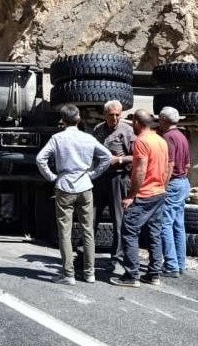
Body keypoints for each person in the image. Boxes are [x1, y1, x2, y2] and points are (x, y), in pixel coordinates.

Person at [36, 104, 112, 285]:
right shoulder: (88, 138)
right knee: (88, 231)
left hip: (64, 186)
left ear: (63, 120)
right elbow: (107, 157)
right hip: (85, 186)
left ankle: (68, 274)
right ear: (78, 119)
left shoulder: (57, 138)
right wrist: (93, 174)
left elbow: (40, 159)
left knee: (65, 231)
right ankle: (89, 273)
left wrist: (52, 176)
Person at [112, 109, 169, 288]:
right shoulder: (160, 140)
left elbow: (140, 170)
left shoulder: (141, 141)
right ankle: (153, 274)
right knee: (154, 233)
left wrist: (131, 196)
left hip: (144, 195)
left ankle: (132, 275)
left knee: (129, 232)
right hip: (159, 193)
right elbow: (168, 167)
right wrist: (162, 186)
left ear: (136, 122)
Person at [91, 100, 135, 269]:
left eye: (118, 114)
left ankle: (115, 258)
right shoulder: (98, 130)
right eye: (111, 115)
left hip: (119, 178)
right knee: (91, 217)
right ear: (105, 115)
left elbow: (137, 156)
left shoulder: (127, 131)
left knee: (119, 221)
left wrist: (120, 159)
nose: (115, 118)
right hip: (100, 178)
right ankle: (86, 255)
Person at [158, 106, 191, 277]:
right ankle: (180, 263)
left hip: (173, 183)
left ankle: (171, 265)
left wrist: (163, 186)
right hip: (184, 182)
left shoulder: (168, 137)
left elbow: (169, 164)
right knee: (178, 225)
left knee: (165, 224)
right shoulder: (182, 136)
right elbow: (187, 164)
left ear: (164, 120)